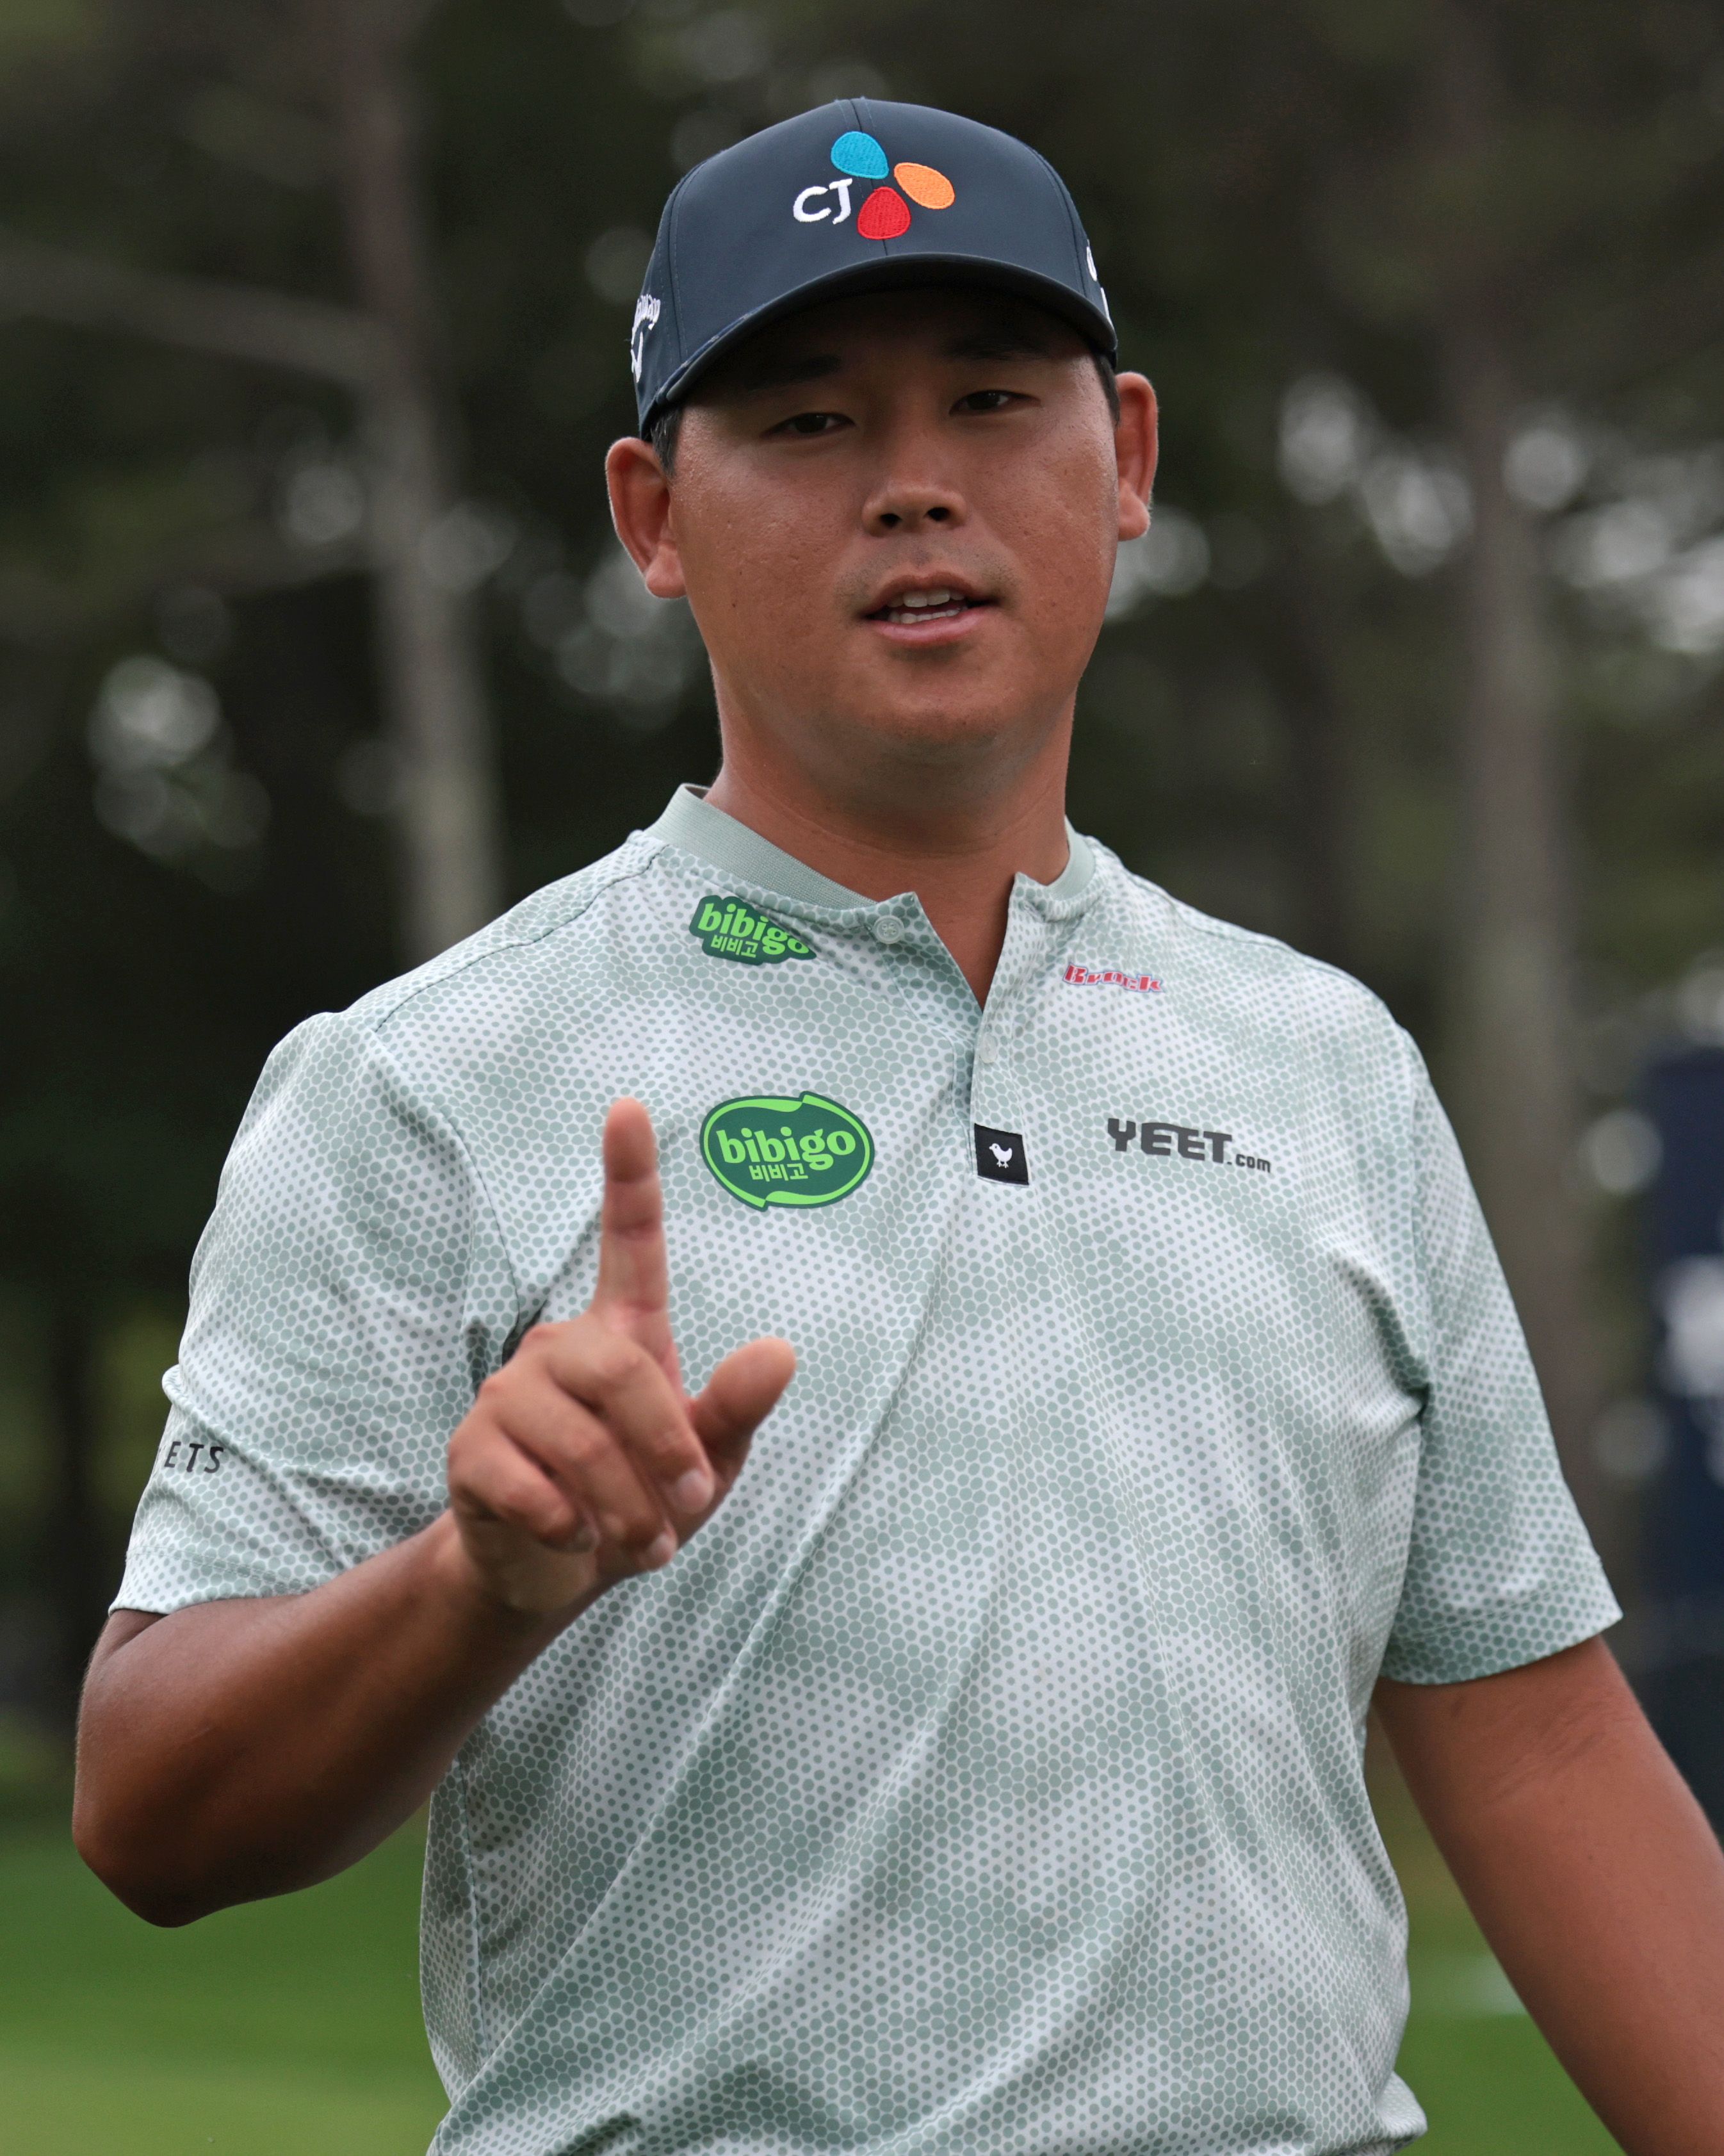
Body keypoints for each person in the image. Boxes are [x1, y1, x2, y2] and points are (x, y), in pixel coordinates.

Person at [76, 97, 1724, 2156]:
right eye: (805, 423)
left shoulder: (1326, 1068)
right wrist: (471, 1587)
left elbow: (1543, 1743)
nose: (916, 487)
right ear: (650, 514)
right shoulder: (431, 1076)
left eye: (987, 399)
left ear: (1120, 462)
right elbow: (146, 1805)